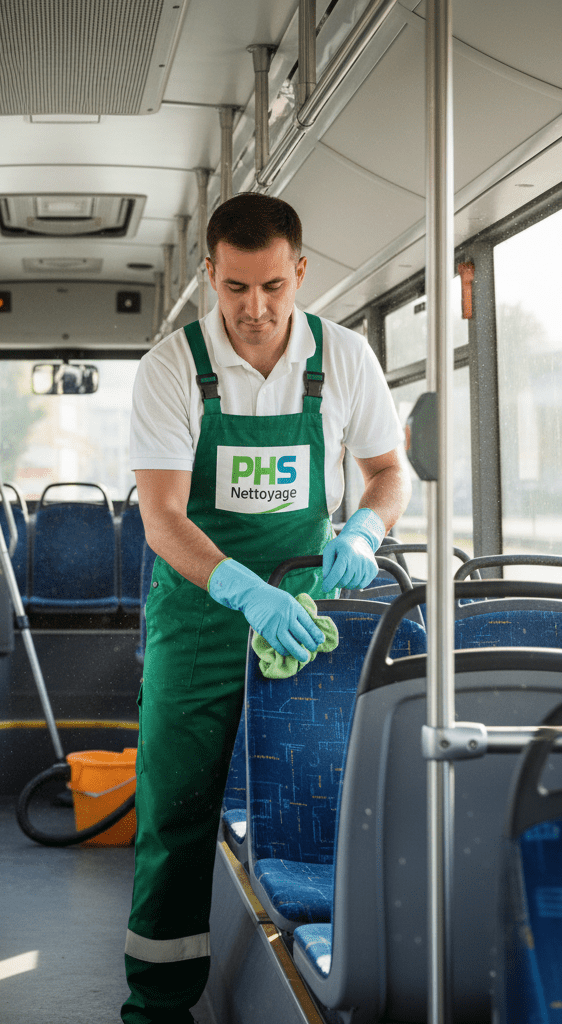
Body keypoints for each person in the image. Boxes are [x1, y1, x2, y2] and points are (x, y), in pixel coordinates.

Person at [122, 192, 410, 1023]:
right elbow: (163, 516)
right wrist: (244, 590)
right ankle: (156, 1005)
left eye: (274, 287)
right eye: (237, 287)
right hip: (202, 618)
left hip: (307, 613)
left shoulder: (344, 358)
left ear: (300, 273)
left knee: (320, 797)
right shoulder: (172, 368)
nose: (255, 309)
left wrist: (363, 526)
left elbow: (388, 472)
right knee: (175, 816)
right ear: (210, 274)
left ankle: (346, 976)